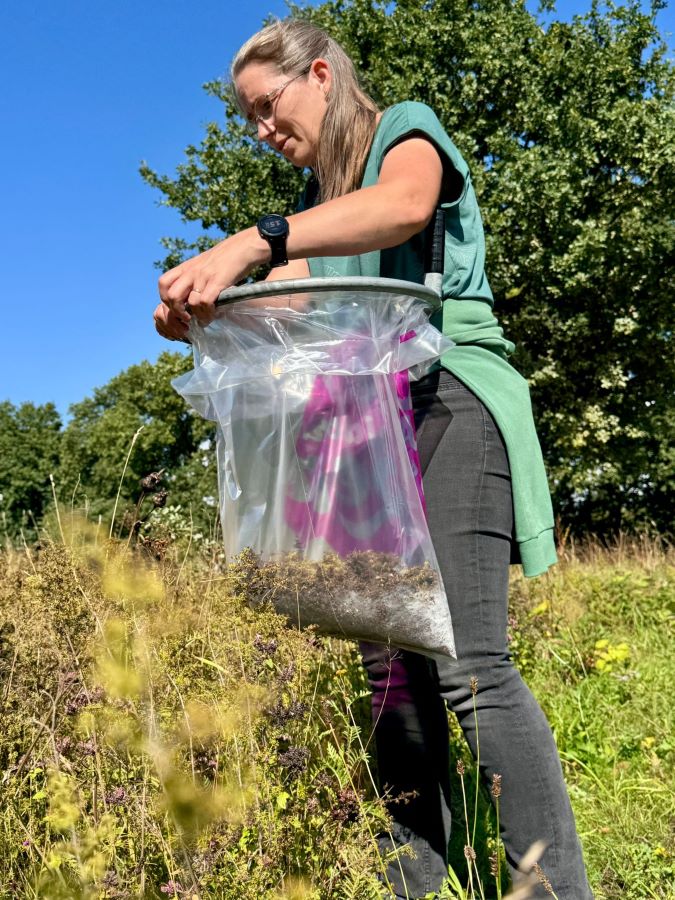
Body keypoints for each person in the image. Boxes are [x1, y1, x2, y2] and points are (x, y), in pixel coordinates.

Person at [154, 18, 593, 900]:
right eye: (247, 118)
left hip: (447, 404)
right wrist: (206, 305)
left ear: (319, 75)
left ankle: (553, 891)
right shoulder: (322, 206)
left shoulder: (403, 131)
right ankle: (410, 885)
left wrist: (253, 237)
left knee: (469, 666)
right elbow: (281, 300)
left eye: (266, 107)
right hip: (363, 437)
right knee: (390, 668)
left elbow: (404, 206)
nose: (260, 130)